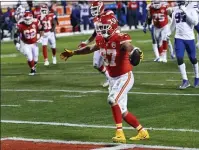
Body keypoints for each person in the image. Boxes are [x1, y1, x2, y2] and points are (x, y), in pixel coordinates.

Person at [60, 14, 149, 143]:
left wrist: (135, 50)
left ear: (112, 27)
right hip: (113, 79)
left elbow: (128, 46)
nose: (101, 30)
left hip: (125, 77)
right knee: (123, 111)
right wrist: (74, 52)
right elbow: (90, 48)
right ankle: (142, 132)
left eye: (104, 27)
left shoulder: (120, 38)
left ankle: (119, 133)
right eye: (100, 27)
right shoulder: (101, 39)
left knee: (112, 99)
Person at [78, 1, 115, 87]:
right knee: (96, 64)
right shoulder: (95, 19)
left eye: (95, 9)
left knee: (111, 63)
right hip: (99, 43)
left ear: (101, 8)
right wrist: (86, 42)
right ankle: (109, 78)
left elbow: (116, 26)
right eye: (93, 9)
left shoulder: (108, 14)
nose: (94, 11)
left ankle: (114, 80)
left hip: (109, 43)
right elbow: (96, 33)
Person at [170, 0, 199, 89]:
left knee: (193, 59)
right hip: (179, 38)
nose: (179, 3)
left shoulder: (191, 9)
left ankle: (197, 77)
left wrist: (185, 11)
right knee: (179, 58)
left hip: (190, 38)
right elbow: (173, 25)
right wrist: (168, 33)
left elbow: (195, 22)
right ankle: (185, 80)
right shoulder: (175, 10)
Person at [14, 11, 43, 75]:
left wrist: (41, 37)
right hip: (25, 44)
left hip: (34, 43)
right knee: (29, 57)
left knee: (36, 58)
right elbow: (16, 34)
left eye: (28, 19)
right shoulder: (20, 25)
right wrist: (16, 43)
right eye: (26, 19)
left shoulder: (36, 22)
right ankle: (32, 70)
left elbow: (41, 29)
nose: (27, 20)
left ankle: (33, 66)